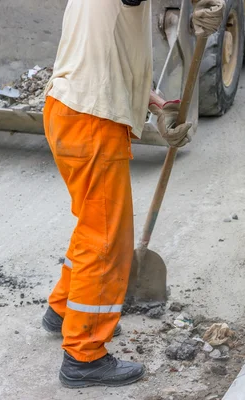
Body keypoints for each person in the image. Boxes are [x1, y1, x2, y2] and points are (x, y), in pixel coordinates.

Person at [41, 0, 192, 388]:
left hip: (69, 109)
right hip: (92, 119)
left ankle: (62, 311)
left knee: (95, 224)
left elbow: (114, 50)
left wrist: (154, 101)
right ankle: (84, 356)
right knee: (107, 240)